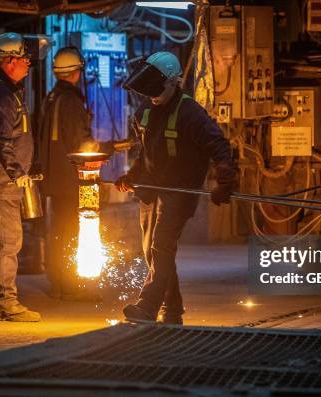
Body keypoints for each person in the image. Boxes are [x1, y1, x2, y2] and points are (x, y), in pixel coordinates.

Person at [116, 51, 238, 325]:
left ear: (173, 82)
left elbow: (219, 146)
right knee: (152, 251)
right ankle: (172, 311)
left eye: (158, 90)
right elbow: (144, 150)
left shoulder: (191, 113)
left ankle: (147, 307)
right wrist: (132, 175)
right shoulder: (145, 111)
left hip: (180, 192)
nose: (153, 95)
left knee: (161, 247)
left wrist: (225, 179)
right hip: (150, 190)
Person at [0, 32, 40, 321]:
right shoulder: (0, 94)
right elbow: (2, 139)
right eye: (24, 59)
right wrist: (17, 173)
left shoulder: (7, 90)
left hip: (4, 179)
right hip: (1, 180)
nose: (28, 64)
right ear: (10, 60)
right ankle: (4, 303)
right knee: (6, 241)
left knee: (3, 240)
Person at [38, 46, 109, 299]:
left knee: (60, 231)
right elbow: (81, 143)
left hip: (55, 179)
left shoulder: (52, 97)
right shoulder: (70, 101)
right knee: (72, 232)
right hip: (71, 180)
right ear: (75, 71)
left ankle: (59, 282)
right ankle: (72, 287)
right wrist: (104, 148)